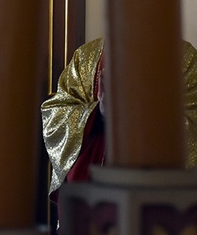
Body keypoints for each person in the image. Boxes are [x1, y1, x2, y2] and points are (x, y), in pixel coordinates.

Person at [41, 37, 197, 200]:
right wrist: (97, 114)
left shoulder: (184, 58)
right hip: (92, 194)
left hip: (156, 194)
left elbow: (192, 122)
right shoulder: (86, 56)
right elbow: (56, 114)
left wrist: (135, 114)